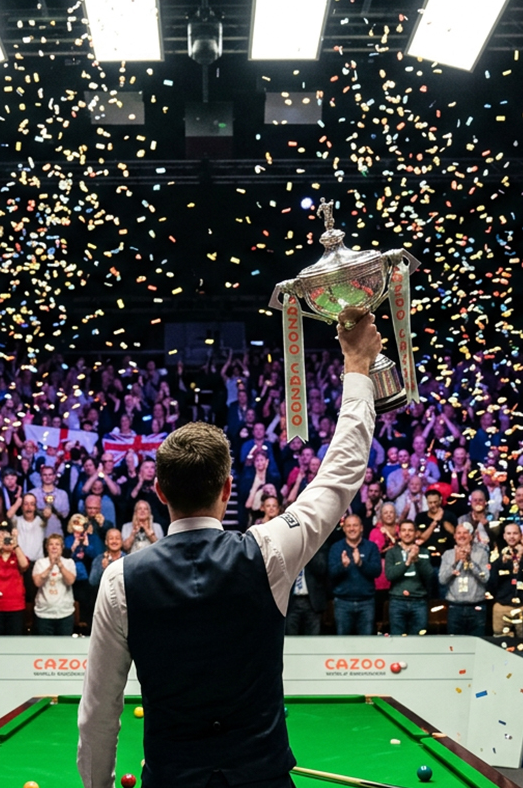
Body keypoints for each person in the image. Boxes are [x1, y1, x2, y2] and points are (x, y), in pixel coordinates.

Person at [77, 305, 379, 788]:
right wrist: (357, 367)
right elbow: (340, 477)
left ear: (159, 492)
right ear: (228, 489)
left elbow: (97, 714)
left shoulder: (120, 579)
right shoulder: (269, 551)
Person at [487, 523, 523, 640]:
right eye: (508, 533)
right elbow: (492, 582)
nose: (511, 536)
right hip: (502, 607)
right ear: (504, 536)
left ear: (520, 536)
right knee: (500, 642)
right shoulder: (498, 558)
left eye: (515, 533)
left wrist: (522, 556)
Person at [328, 514, 381, 635]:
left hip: (366, 603)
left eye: (355, 525)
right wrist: (342, 566)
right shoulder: (336, 548)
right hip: (342, 603)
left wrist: (361, 563)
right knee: (342, 643)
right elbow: (331, 573)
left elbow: (377, 571)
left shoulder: (371, 547)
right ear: (344, 528)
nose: (352, 529)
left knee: (366, 643)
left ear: (361, 528)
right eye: (348, 526)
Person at [439, 521, 490, 636]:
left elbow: (485, 578)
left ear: (471, 536)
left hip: (477, 606)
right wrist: (456, 561)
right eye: (459, 533)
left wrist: (470, 561)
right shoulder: (448, 555)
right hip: (455, 607)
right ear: (454, 536)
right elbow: (442, 580)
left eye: (465, 533)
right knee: (454, 643)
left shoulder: (481, 554)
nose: (462, 536)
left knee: (477, 643)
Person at [384, 520, 434, 636]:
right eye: (404, 530)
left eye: (410, 530)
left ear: (416, 533)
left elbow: (429, 575)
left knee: (419, 640)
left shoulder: (424, 552)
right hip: (397, 601)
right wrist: (407, 562)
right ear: (399, 533)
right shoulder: (391, 553)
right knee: (397, 640)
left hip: (419, 601)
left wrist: (417, 560)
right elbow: (390, 575)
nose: (407, 533)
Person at [0, 526, 29, 635]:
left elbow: (24, 565)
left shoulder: (17, 557)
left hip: (15, 607)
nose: (6, 540)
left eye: (8, 538)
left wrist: (16, 545)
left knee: (14, 642)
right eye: (1, 537)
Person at [32, 533, 76, 635]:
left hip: (65, 613)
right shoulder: (40, 563)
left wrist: (60, 565)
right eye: (51, 544)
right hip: (44, 614)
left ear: (62, 547)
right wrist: (50, 566)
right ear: (47, 547)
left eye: (57, 544)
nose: (54, 547)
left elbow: (70, 581)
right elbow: (37, 582)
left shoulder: (69, 562)